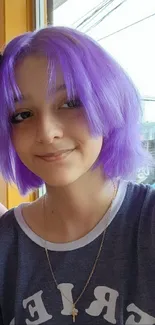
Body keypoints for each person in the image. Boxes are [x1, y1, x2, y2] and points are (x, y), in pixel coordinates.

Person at [0, 26, 154, 325]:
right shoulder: (6, 246)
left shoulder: (147, 221)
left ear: (108, 103)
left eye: (70, 103)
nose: (47, 132)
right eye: (23, 115)